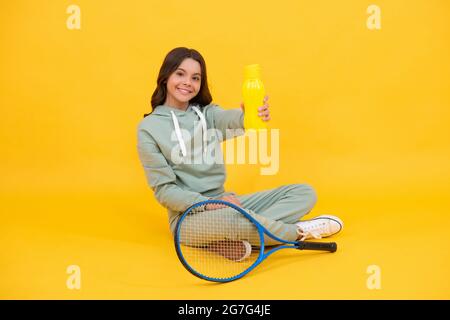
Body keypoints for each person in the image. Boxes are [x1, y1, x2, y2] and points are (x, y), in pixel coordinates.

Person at [137, 47, 343, 261]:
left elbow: (231, 120)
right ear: (166, 76)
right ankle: (298, 232)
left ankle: (233, 240)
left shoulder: (206, 114)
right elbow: (164, 190)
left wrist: (250, 116)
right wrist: (208, 203)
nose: (188, 82)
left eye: (195, 77)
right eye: (180, 74)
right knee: (233, 221)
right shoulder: (148, 128)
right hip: (187, 217)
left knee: (303, 193)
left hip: (227, 202)